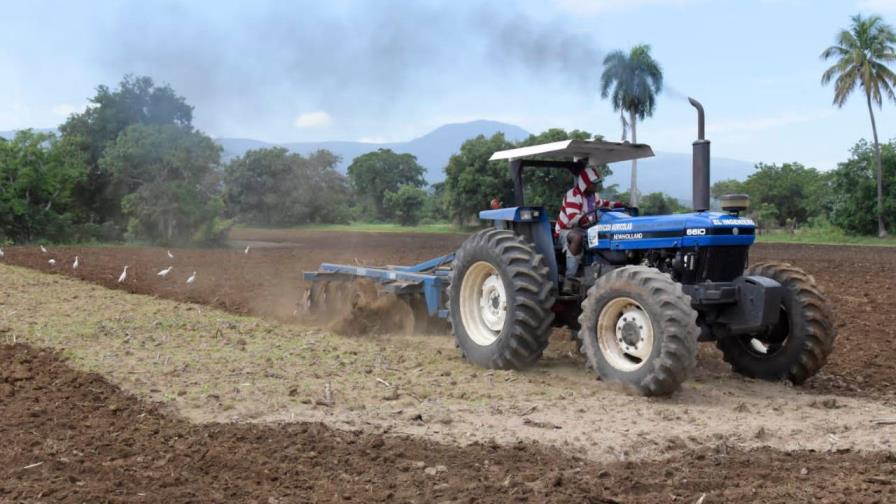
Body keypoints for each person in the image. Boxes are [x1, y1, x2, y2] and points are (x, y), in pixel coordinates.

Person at [555, 165, 624, 293]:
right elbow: (573, 219)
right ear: (586, 183)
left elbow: (604, 204)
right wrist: (592, 219)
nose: (596, 185)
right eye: (594, 183)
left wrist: (620, 205)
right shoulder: (573, 195)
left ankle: (600, 271)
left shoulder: (593, 196)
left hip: (586, 228)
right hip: (566, 230)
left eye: (597, 182)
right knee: (577, 237)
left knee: (604, 235)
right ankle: (569, 278)